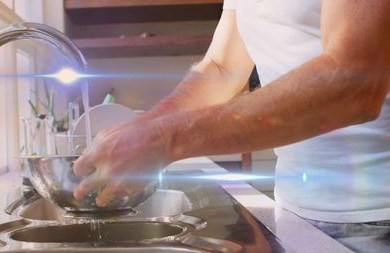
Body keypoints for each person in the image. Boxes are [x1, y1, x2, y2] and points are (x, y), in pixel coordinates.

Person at [73, 0, 390, 252]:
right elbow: (222, 66)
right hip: (296, 208)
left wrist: (163, 140)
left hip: (377, 217)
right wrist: (139, 132)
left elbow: (354, 82)